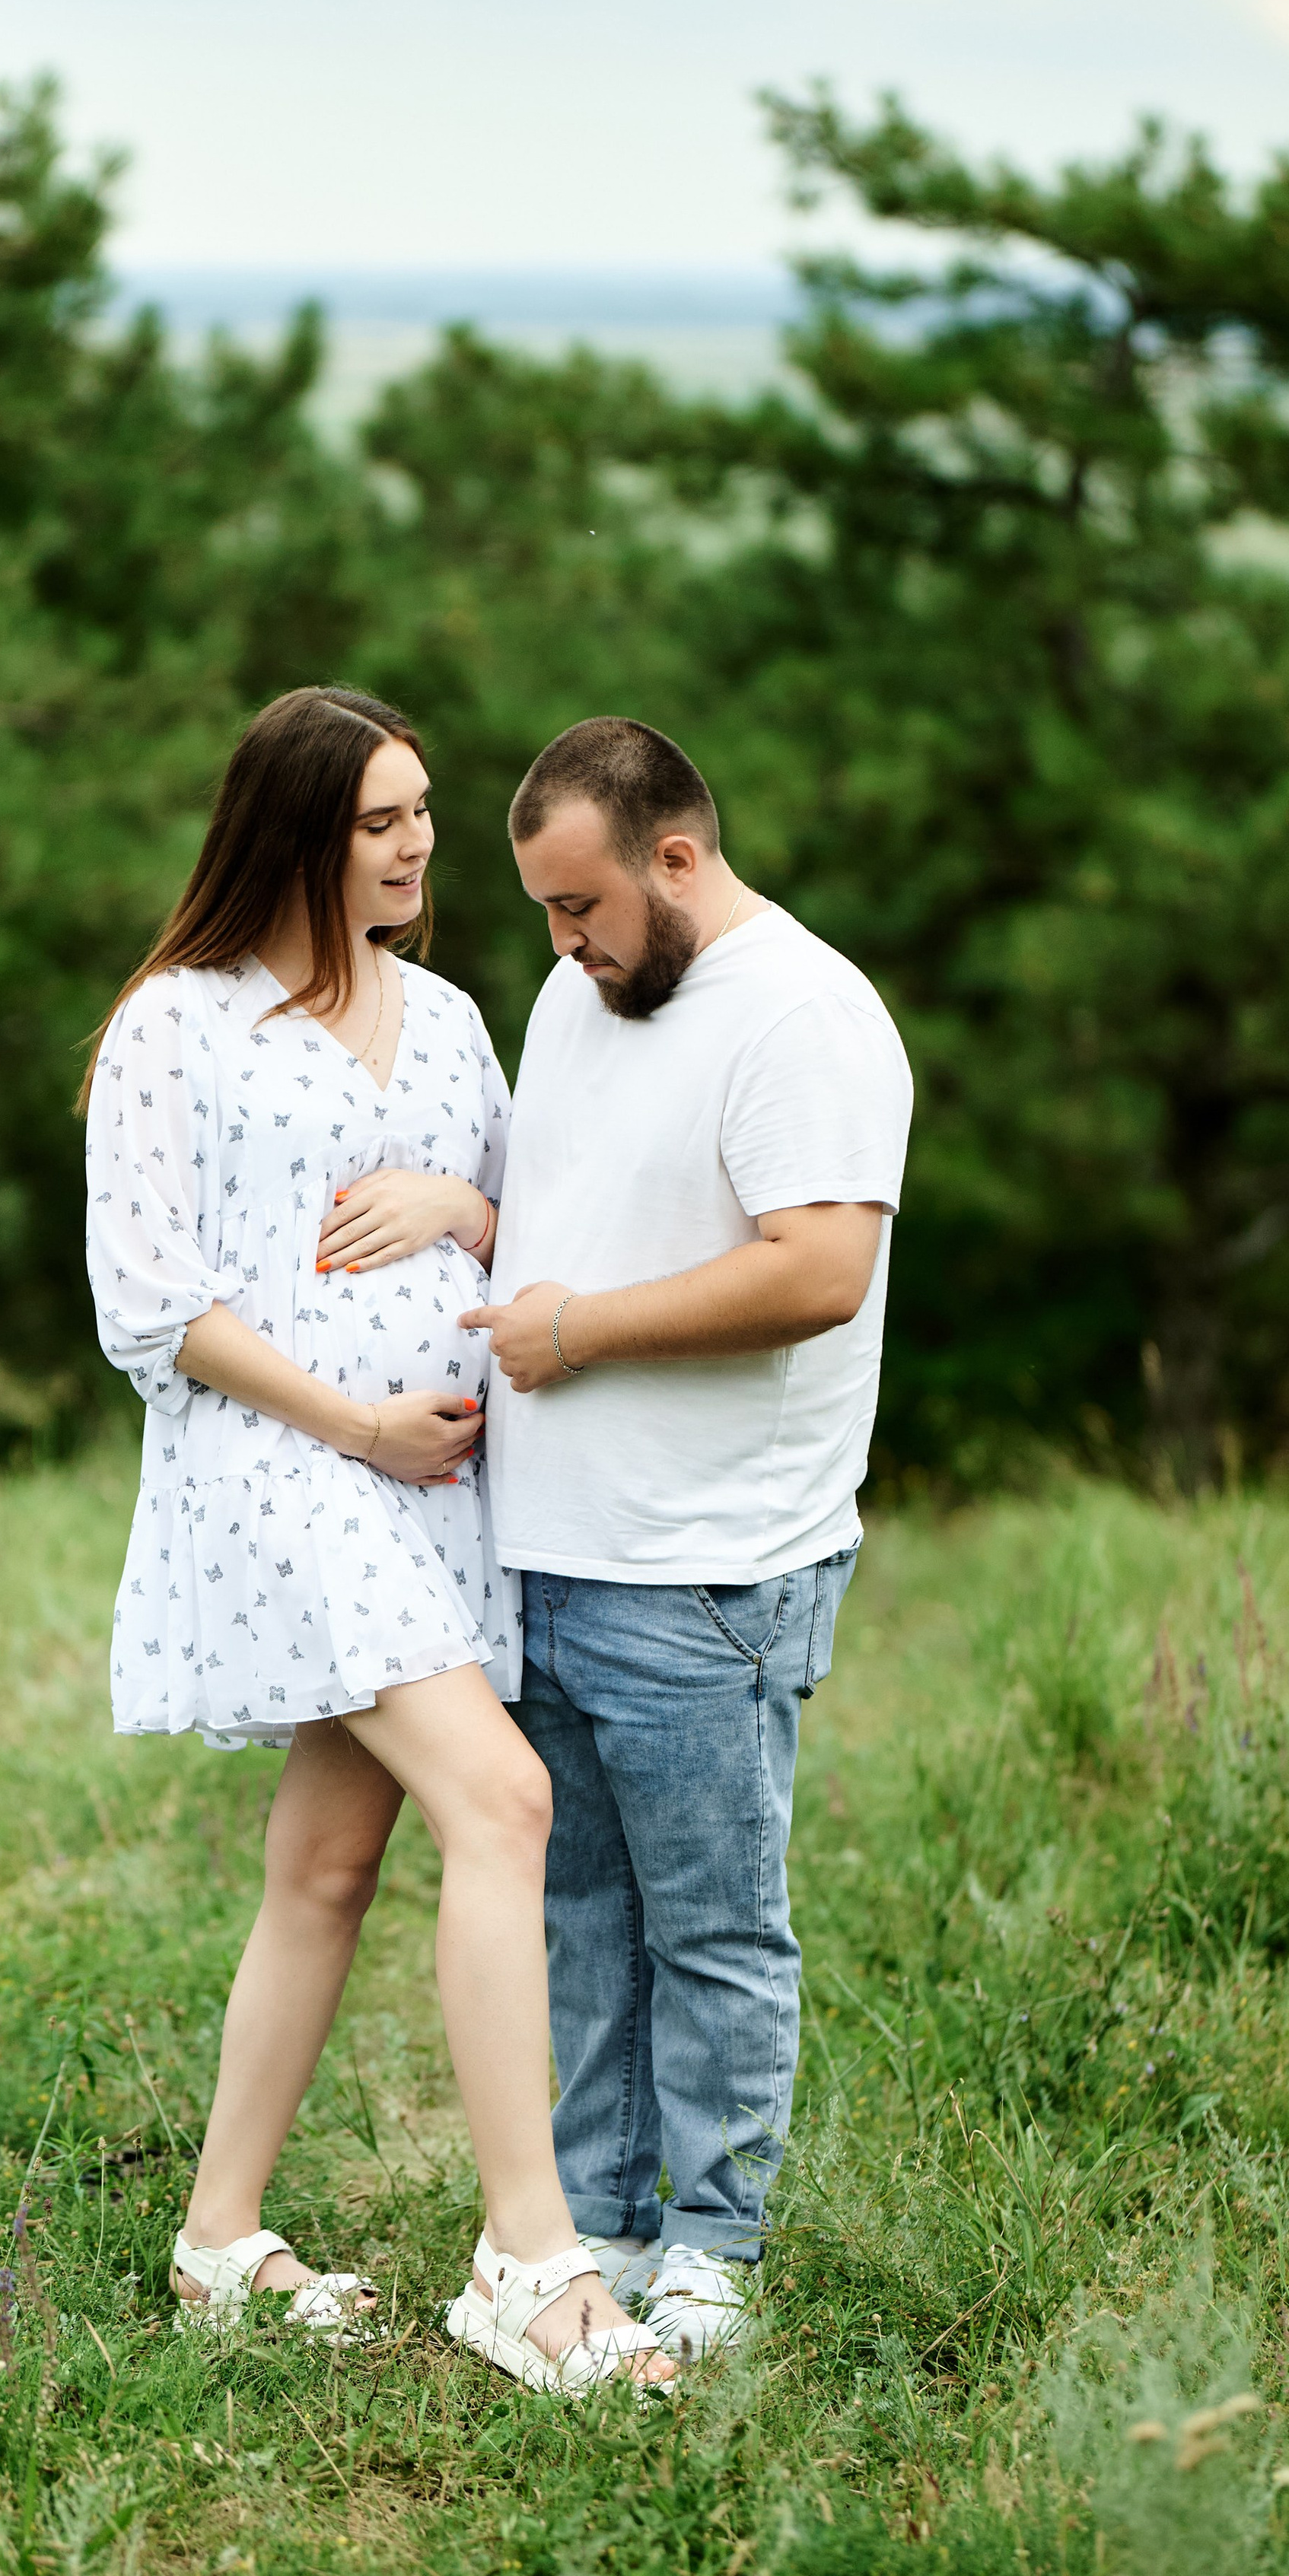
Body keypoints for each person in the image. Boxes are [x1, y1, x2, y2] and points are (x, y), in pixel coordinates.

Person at [81, 686, 673, 2393]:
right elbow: (151, 1302)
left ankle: (217, 2238)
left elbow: (539, 1228)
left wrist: (461, 1205)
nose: (418, 846)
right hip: (283, 1470)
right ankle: (530, 2263)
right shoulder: (176, 1025)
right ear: (294, 832)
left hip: (439, 1494)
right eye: (379, 820)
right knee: (503, 1798)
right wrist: (354, 1427)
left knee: (329, 1868)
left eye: (422, 812)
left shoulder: (453, 1018)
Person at [460, 716, 912, 2360]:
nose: (560, 943)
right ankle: (596, 2219)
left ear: (676, 856)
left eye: (581, 905)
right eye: (542, 910)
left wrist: (574, 1334)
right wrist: (471, 1231)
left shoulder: (804, 1015)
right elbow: (577, 1221)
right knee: (584, 1919)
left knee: (712, 1928)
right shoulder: (577, 997)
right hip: (549, 1552)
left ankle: (716, 2245)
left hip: (708, 1568)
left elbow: (817, 1271)